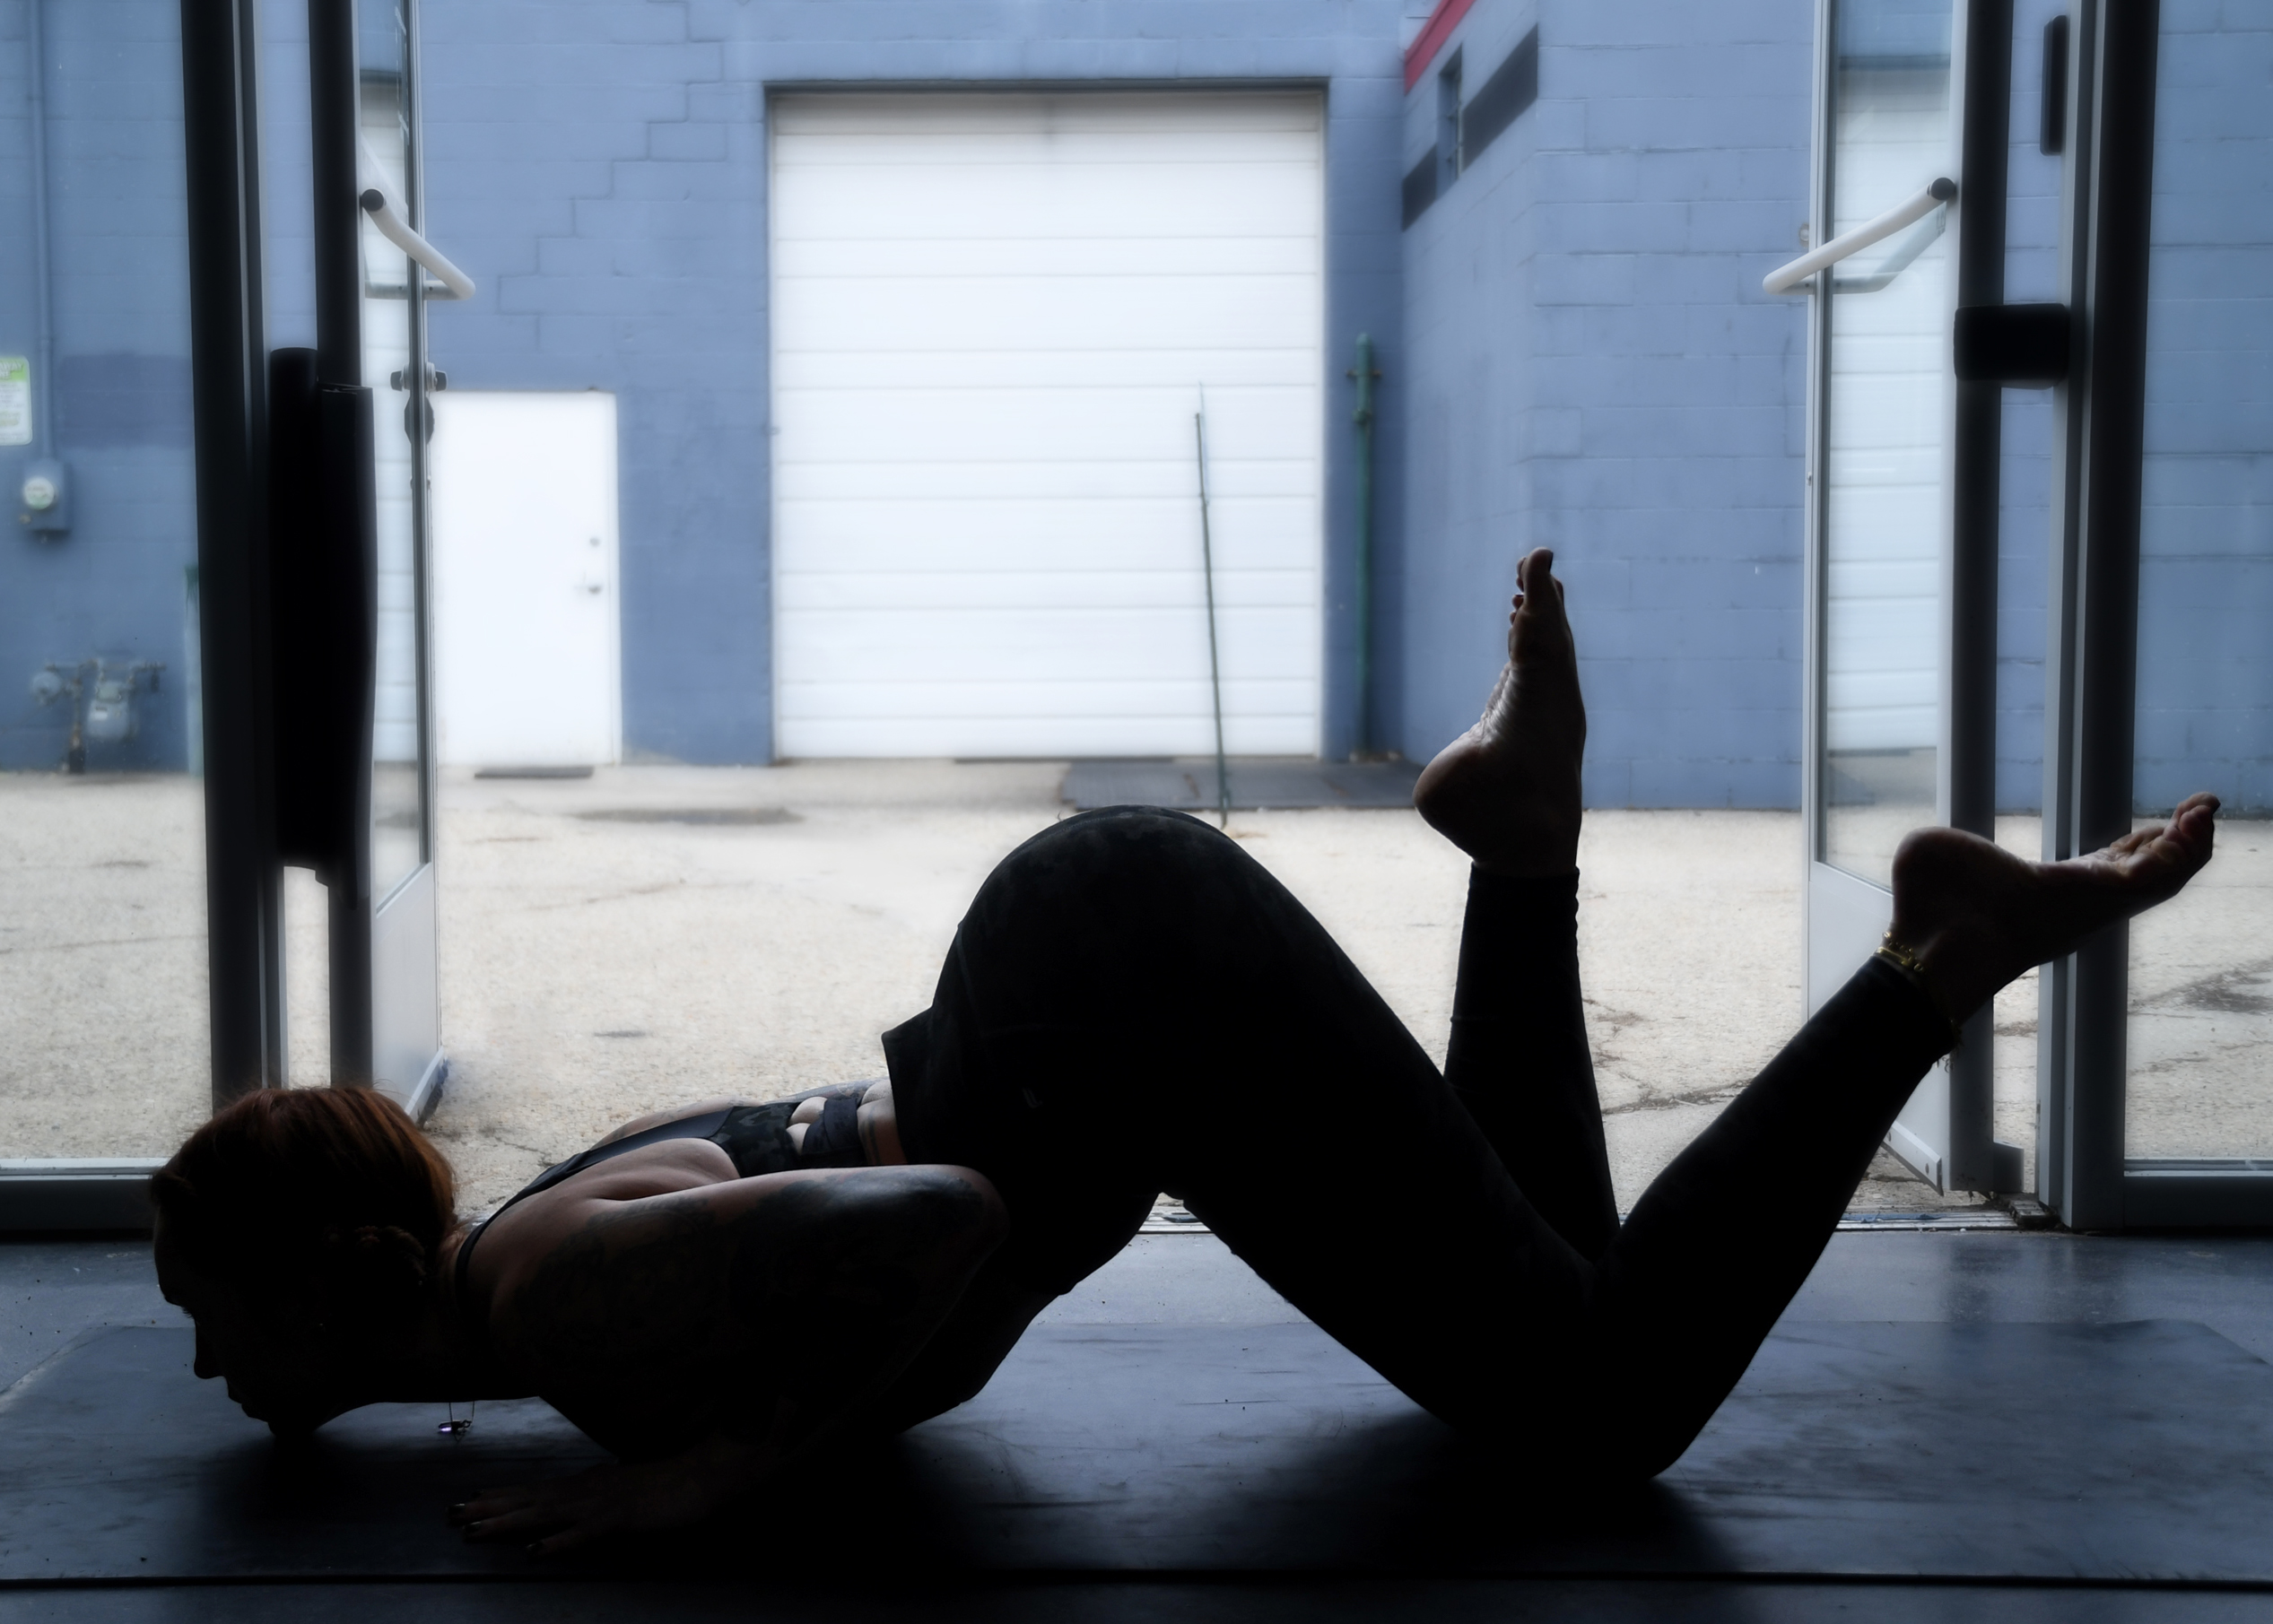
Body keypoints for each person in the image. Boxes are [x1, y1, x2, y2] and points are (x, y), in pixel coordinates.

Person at [152, 550, 2221, 1556]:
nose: (197, 1357)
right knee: (1559, 1296)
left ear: (322, 1267)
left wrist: (707, 1476)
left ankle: (1934, 959)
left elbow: (946, 1213)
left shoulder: (552, 1305)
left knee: (1604, 1415)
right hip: (1086, 973)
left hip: (1099, 1002)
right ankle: (1519, 852)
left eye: (199, 1302)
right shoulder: (523, 1277)